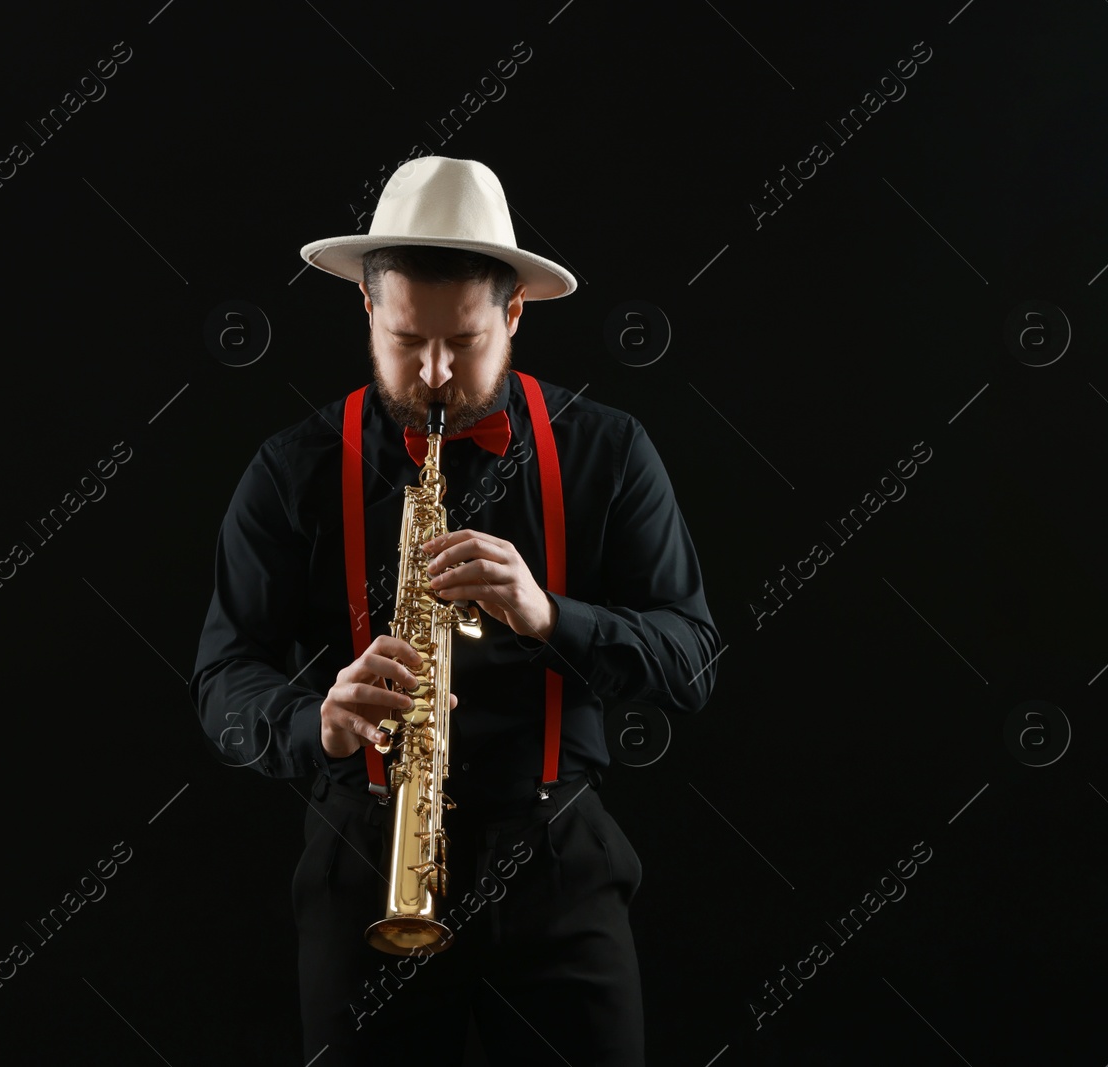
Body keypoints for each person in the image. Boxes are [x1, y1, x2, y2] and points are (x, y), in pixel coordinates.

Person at [191, 156, 720, 1066]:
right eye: (406, 339)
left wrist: (551, 617)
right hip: (360, 866)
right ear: (366, 308)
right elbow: (221, 675)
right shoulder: (292, 469)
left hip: (559, 862)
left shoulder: (612, 451)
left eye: (464, 341)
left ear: (515, 316)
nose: (433, 373)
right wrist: (311, 721)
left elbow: (694, 661)